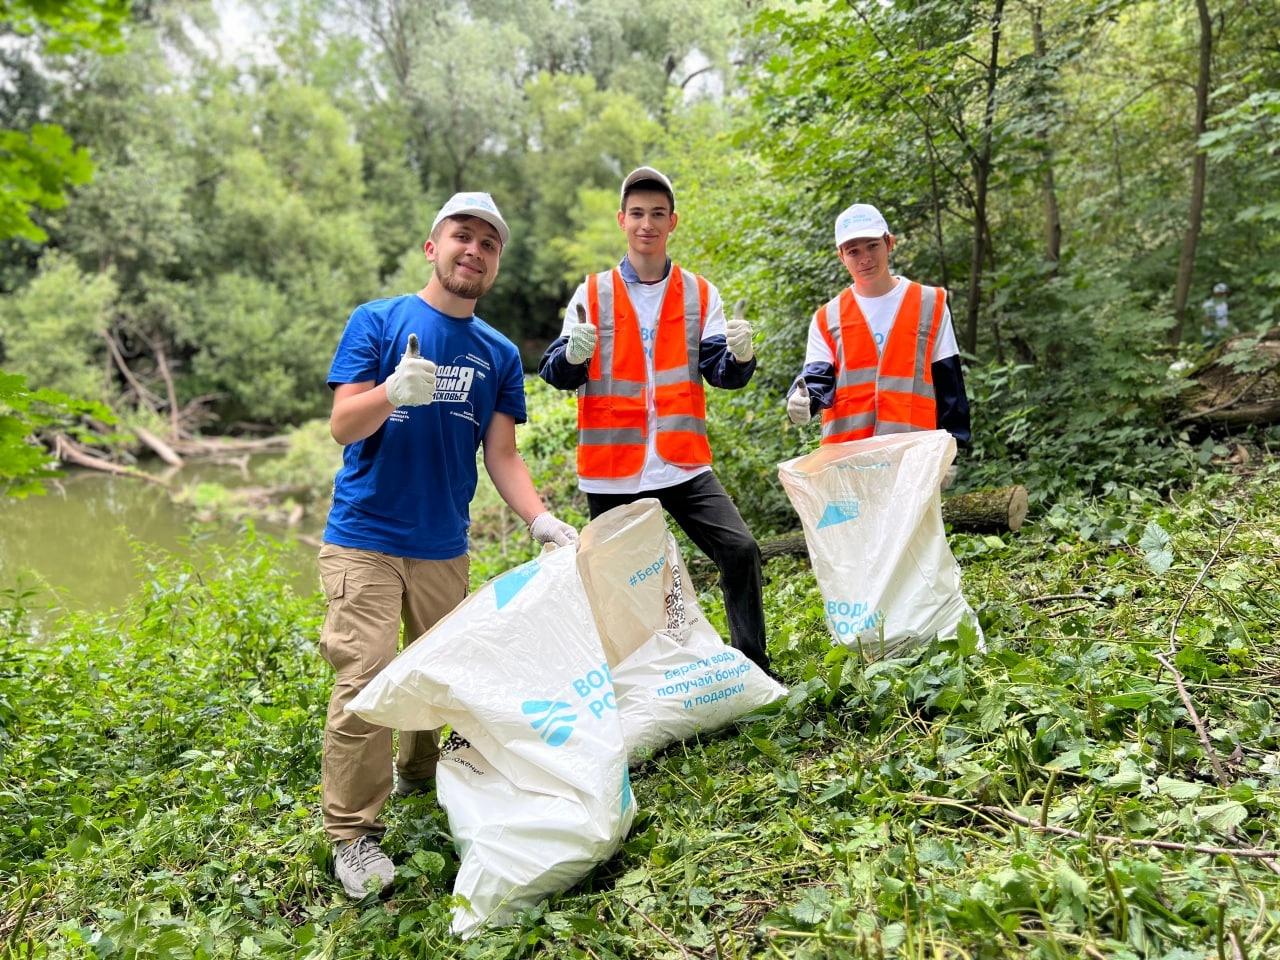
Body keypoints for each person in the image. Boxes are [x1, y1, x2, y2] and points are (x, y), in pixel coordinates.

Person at [319, 191, 577, 899]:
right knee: (366, 680)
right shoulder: (378, 321)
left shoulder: (498, 353)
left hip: (443, 544)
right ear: (434, 247)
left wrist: (540, 520)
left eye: (489, 244)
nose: (475, 251)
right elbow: (343, 425)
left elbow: (502, 454)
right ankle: (352, 834)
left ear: (495, 264)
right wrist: (390, 394)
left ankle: (421, 772)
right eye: (463, 236)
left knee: (440, 675)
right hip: (364, 538)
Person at [538, 166, 772, 675]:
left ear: (673, 222)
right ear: (622, 220)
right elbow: (554, 371)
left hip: (681, 463)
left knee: (739, 549)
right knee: (619, 581)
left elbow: (721, 373)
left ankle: (753, 664)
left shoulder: (700, 294)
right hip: (612, 468)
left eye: (658, 214)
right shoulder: (592, 292)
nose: (647, 224)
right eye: (638, 213)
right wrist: (573, 356)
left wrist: (742, 357)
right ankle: (631, 677)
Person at [785, 202, 970, 474]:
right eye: (853, 251)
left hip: (914, 462)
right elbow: (817, 378)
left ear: (889, 243)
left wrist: (951, 450)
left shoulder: (930, 304)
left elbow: (949, 383)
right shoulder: (827, 318)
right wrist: (803, 400)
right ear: (841, 256)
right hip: (849, 467)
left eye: (872, 246)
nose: (865, 258)